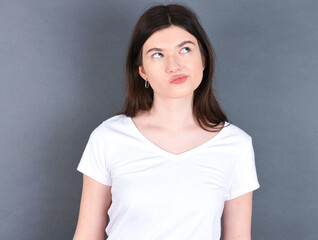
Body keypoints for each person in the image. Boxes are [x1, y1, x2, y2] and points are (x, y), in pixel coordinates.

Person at [73, 3, 260, 240]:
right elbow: (87, 234)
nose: (174, 65)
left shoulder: (236, 145)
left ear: (203, 60)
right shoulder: (108, 138)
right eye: (158, 54)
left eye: (185, 50)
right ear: (143, 71)